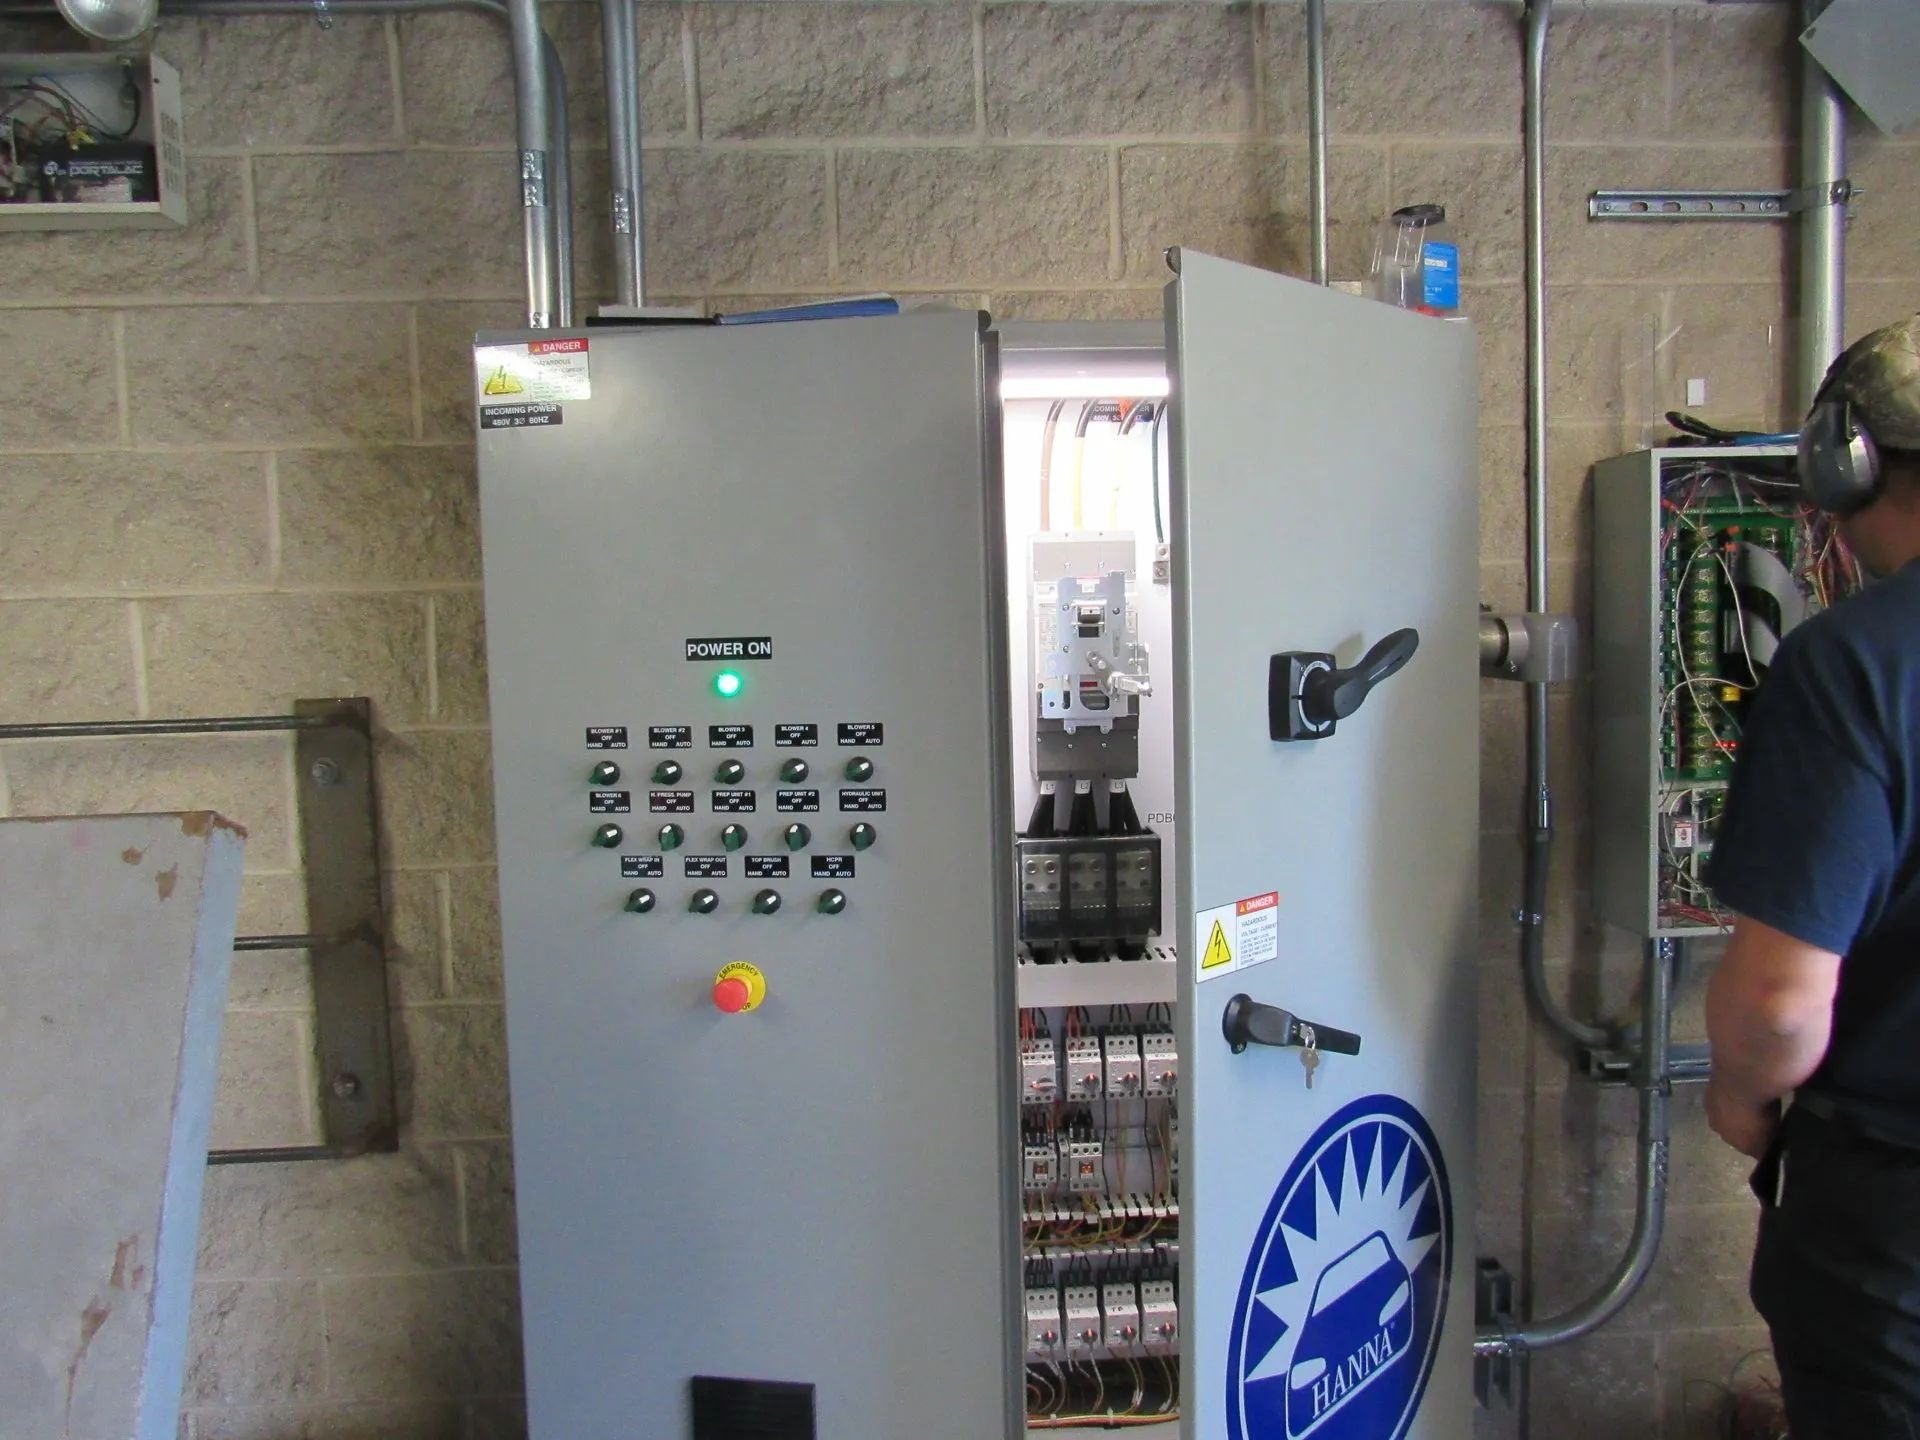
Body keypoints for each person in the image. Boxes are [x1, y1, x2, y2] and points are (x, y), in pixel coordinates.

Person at [1705, 311, 1920, 1439]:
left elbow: (1781, 1008)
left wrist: (1743, 1096)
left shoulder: (1857, 661)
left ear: (1850, 462)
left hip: (1891, 1218)